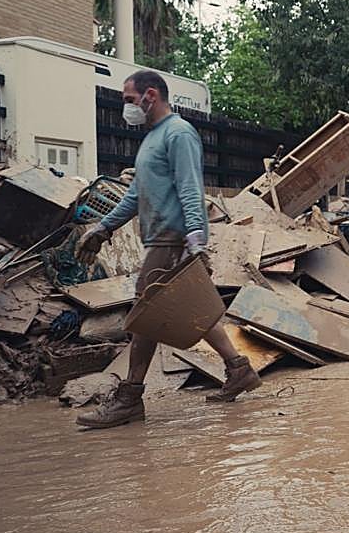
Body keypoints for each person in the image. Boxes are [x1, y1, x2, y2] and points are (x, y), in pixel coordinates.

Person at [74, 71, 262, 429]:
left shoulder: (179, 133)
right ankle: (238, 369)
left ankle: (130, 397)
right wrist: (102, 227)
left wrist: (196, 240)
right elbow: (133, 196)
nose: (125, 108)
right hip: (161, 237)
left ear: (150, 95)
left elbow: (191, 188)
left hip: (172, 238)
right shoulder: (152, 138)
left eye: (129, 100)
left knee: (147, 314)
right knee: (189, 308)